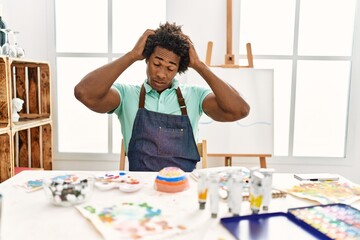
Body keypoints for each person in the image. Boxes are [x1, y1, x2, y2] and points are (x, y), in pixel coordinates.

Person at [74, 22, 250, 172]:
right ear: (147, 60)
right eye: (157, 64)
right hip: (140, 189)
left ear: (179, 69)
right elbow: (84, 93)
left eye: (170, 68)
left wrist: (199, 65)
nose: (161, 74)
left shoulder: (195, 96)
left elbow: (240, 110)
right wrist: (132, 55)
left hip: (183, 189)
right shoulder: (126, 95)